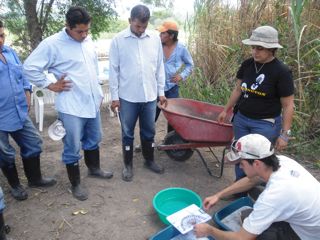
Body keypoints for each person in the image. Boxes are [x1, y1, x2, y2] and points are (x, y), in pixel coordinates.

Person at [23, 6, 113, 201]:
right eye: (79, 31)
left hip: (91, 100)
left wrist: (97, 92)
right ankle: (76, 184)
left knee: (94, 136)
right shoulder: (52, 44)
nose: (84, 34)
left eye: (87, 30)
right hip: (71, 106)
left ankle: (94, 168)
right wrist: (50, 84)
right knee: (72, 145)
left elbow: (93, 67)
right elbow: (29, 67)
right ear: (68, 26)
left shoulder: (87, 40)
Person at [194, 134, 320, 240]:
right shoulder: (281, 161)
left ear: (257, 163)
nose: (240, 167)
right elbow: (251, 181)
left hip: (307, 234)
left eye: (241, 163)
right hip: (309, 217)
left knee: (256, 232)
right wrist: (218, 195)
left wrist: (209, 230)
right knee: (249, 213)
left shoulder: (273, 196)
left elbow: (242, 237)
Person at [217, 25, 294, 182]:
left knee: (260, 160)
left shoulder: (281, 71)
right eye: (253, 47)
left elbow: (288, 105)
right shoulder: (247, 64)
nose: (254, 52)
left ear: (271, 49)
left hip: (265, 124)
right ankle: (239, 189)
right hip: (242, 119)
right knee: (241, 155)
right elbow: (238, 90)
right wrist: (226, 110)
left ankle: (259, 192)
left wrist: (284, 134)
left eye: (260, 48)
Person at [109, 4, 166, 182]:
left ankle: (149, 160)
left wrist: (161, 91)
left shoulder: (155, 39)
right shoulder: (118, 40)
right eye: (137, 26)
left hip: (149, 96)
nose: (140, 30)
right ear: (130, 21)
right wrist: (114, 97)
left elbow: (159, 66)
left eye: (144, 26)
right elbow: (113, 70)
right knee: (127, 132)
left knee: (149, 131)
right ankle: (128, 165)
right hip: (128, 98)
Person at [0, 20, 56, 201]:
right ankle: (15, 186)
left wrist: (28, 93)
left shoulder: (10, 53)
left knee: (33, 143)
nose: (0, 40)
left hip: (18, 111)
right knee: (6, 153)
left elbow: (23, 77)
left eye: (1, 35)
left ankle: (35, 179)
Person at [156, 20, 194, 131]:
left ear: (171, 35)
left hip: (172, 87)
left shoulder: (181, 48)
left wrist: (181, 76)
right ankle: (147, 142)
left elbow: (190, 65)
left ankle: (170, 142)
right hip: (156, 87)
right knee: (151, 116)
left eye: (163, 33)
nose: (160, 35)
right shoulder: (157, 46)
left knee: (172, 116)